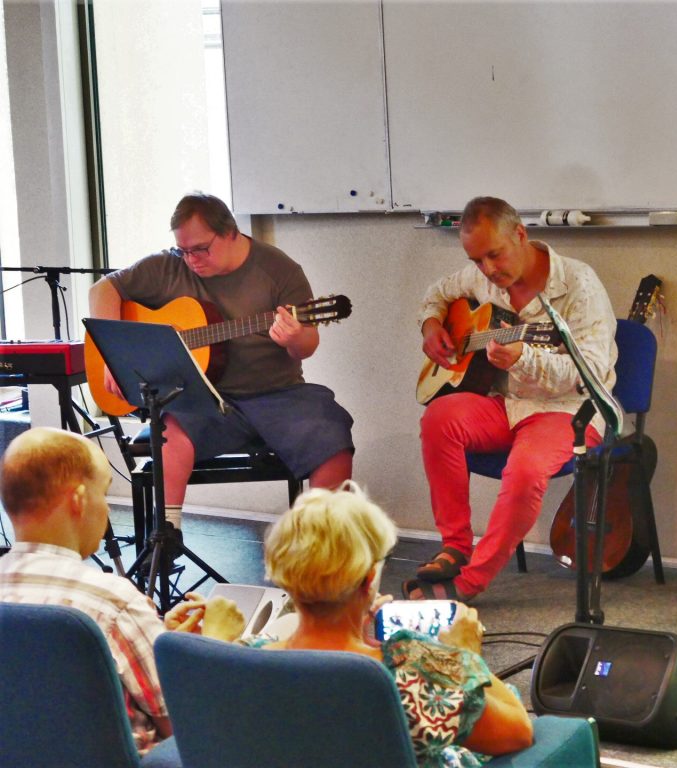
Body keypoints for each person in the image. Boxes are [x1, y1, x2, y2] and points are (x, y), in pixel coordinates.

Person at [89, 192, 355, 547]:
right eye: (183, 250)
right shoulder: (169, 266)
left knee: (332, 435)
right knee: (171, 430)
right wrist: (114, 355)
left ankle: (326, 547)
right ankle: (167, 536)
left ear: (231, 232)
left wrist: (293, 338)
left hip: (277, 393)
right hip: (202, 397)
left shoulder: (279, 270)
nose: (192, 260)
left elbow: (307, 346)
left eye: (201, 249)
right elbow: (102, 289)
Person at [409, 196, 617, 601]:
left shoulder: (579, 284)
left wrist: (524, 359)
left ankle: (467, 583)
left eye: (494, 255)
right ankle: (454, 546)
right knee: (440, 417)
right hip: (506, 405)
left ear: (520, 234)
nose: (487, 270)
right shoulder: (482, 280)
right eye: (476, 261)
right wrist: (432, 324)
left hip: (569, 410)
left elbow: (587, 375)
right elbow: (438, 292)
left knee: (524, 471)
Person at [0, 427, 245, 754]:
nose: (108, 510)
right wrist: (214, 646)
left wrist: (158, 640)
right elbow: (188, 722)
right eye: (104, 494)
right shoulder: (112, 601)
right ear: (79, 500)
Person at [258, 483, 534, 767]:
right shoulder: (408, 676)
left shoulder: (247, 660)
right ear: (367, 580)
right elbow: (519, 732)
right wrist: (463, 658)